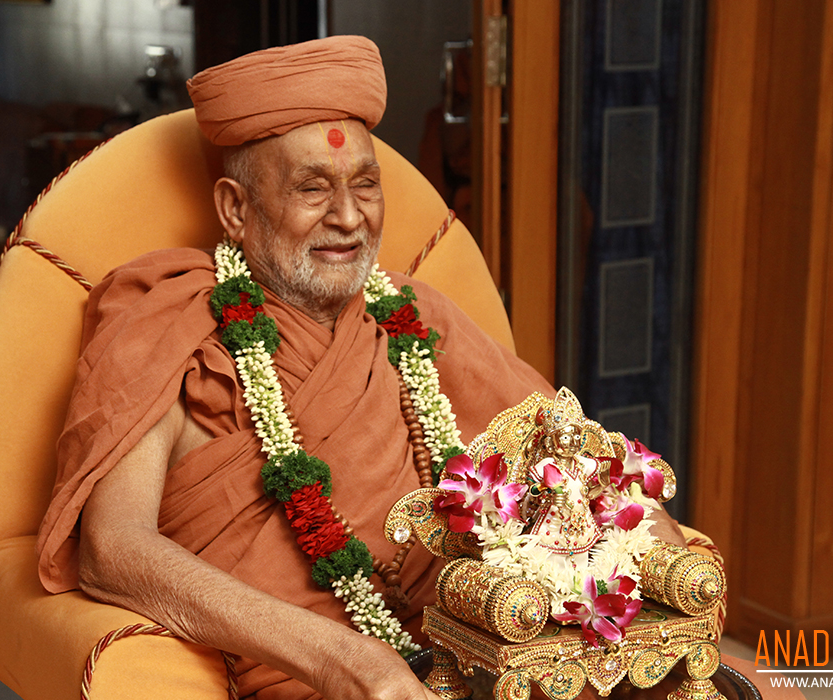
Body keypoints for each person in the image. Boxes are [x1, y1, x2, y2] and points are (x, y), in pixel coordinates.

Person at [35, 36, 685, 700]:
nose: (349, 218)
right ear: (236, 209)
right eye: (312, 188)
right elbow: (113, 549)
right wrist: (341, 660)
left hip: (475, 657)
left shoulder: (415, 315)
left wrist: (636, 527)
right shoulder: (167, 325)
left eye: (365, 185)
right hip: (305, 678)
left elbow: (565, 450)